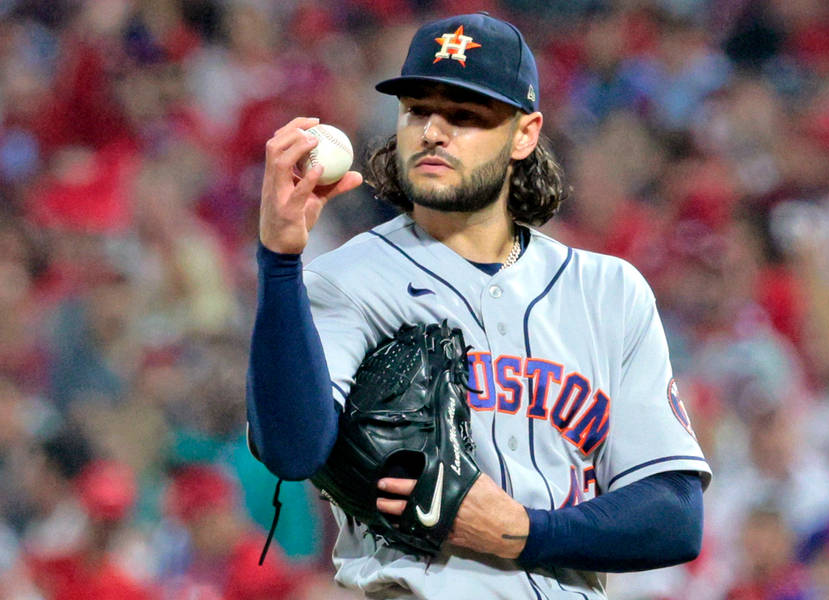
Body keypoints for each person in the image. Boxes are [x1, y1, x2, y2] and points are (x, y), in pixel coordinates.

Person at [247, 12, 712, 599]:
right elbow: (291, 449)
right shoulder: (348, 280)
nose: (433, 132)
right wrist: (280, 260)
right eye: (417, 110)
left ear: (525, 133)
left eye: (465, 116)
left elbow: (673, 516)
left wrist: (524, 533)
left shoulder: (609, 291)